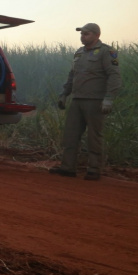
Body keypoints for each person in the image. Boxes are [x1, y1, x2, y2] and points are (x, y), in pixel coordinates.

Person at [49, 23, 122, 181]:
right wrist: (64, 94)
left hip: (95, 100)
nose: (82, 37)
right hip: (77, 99)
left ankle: (94, 170)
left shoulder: (106, 52)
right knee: (70, 135)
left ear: (96, 35)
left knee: (94, 136)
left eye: (86, 34)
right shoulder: (79, 53)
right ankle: (68, 167)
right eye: (81, 34)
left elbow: (114, 76)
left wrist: (109, 98)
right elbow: (72, 75)